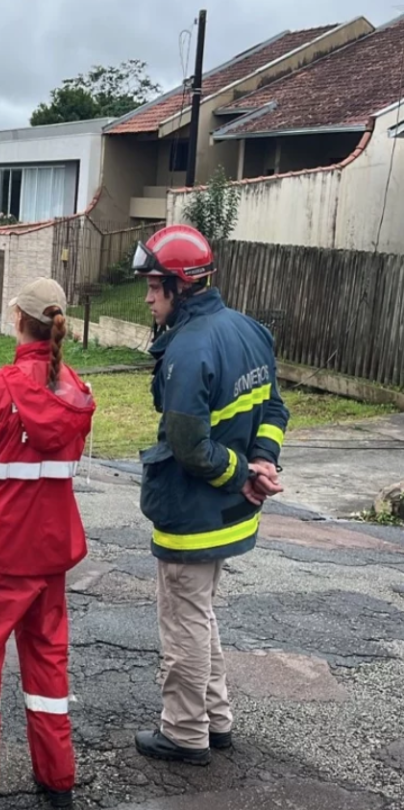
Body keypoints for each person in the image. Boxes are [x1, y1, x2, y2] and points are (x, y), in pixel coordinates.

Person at [130, 224, 289, 765]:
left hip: (192, 514)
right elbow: (274, 410)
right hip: (232, 513)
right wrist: (262, 462)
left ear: (180, 285)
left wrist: (244, 470)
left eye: (155, 285)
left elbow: (190, 446)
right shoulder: (250, 331)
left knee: (182, 623)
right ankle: (215, 720)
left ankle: (184, 731)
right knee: (200, 615)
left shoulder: (188, 349)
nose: (148, 296)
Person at [0, 277, 96, 810]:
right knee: (48, 665)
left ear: (18, 322)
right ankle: (57, 781)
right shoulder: (78, 392)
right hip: (50, 554)